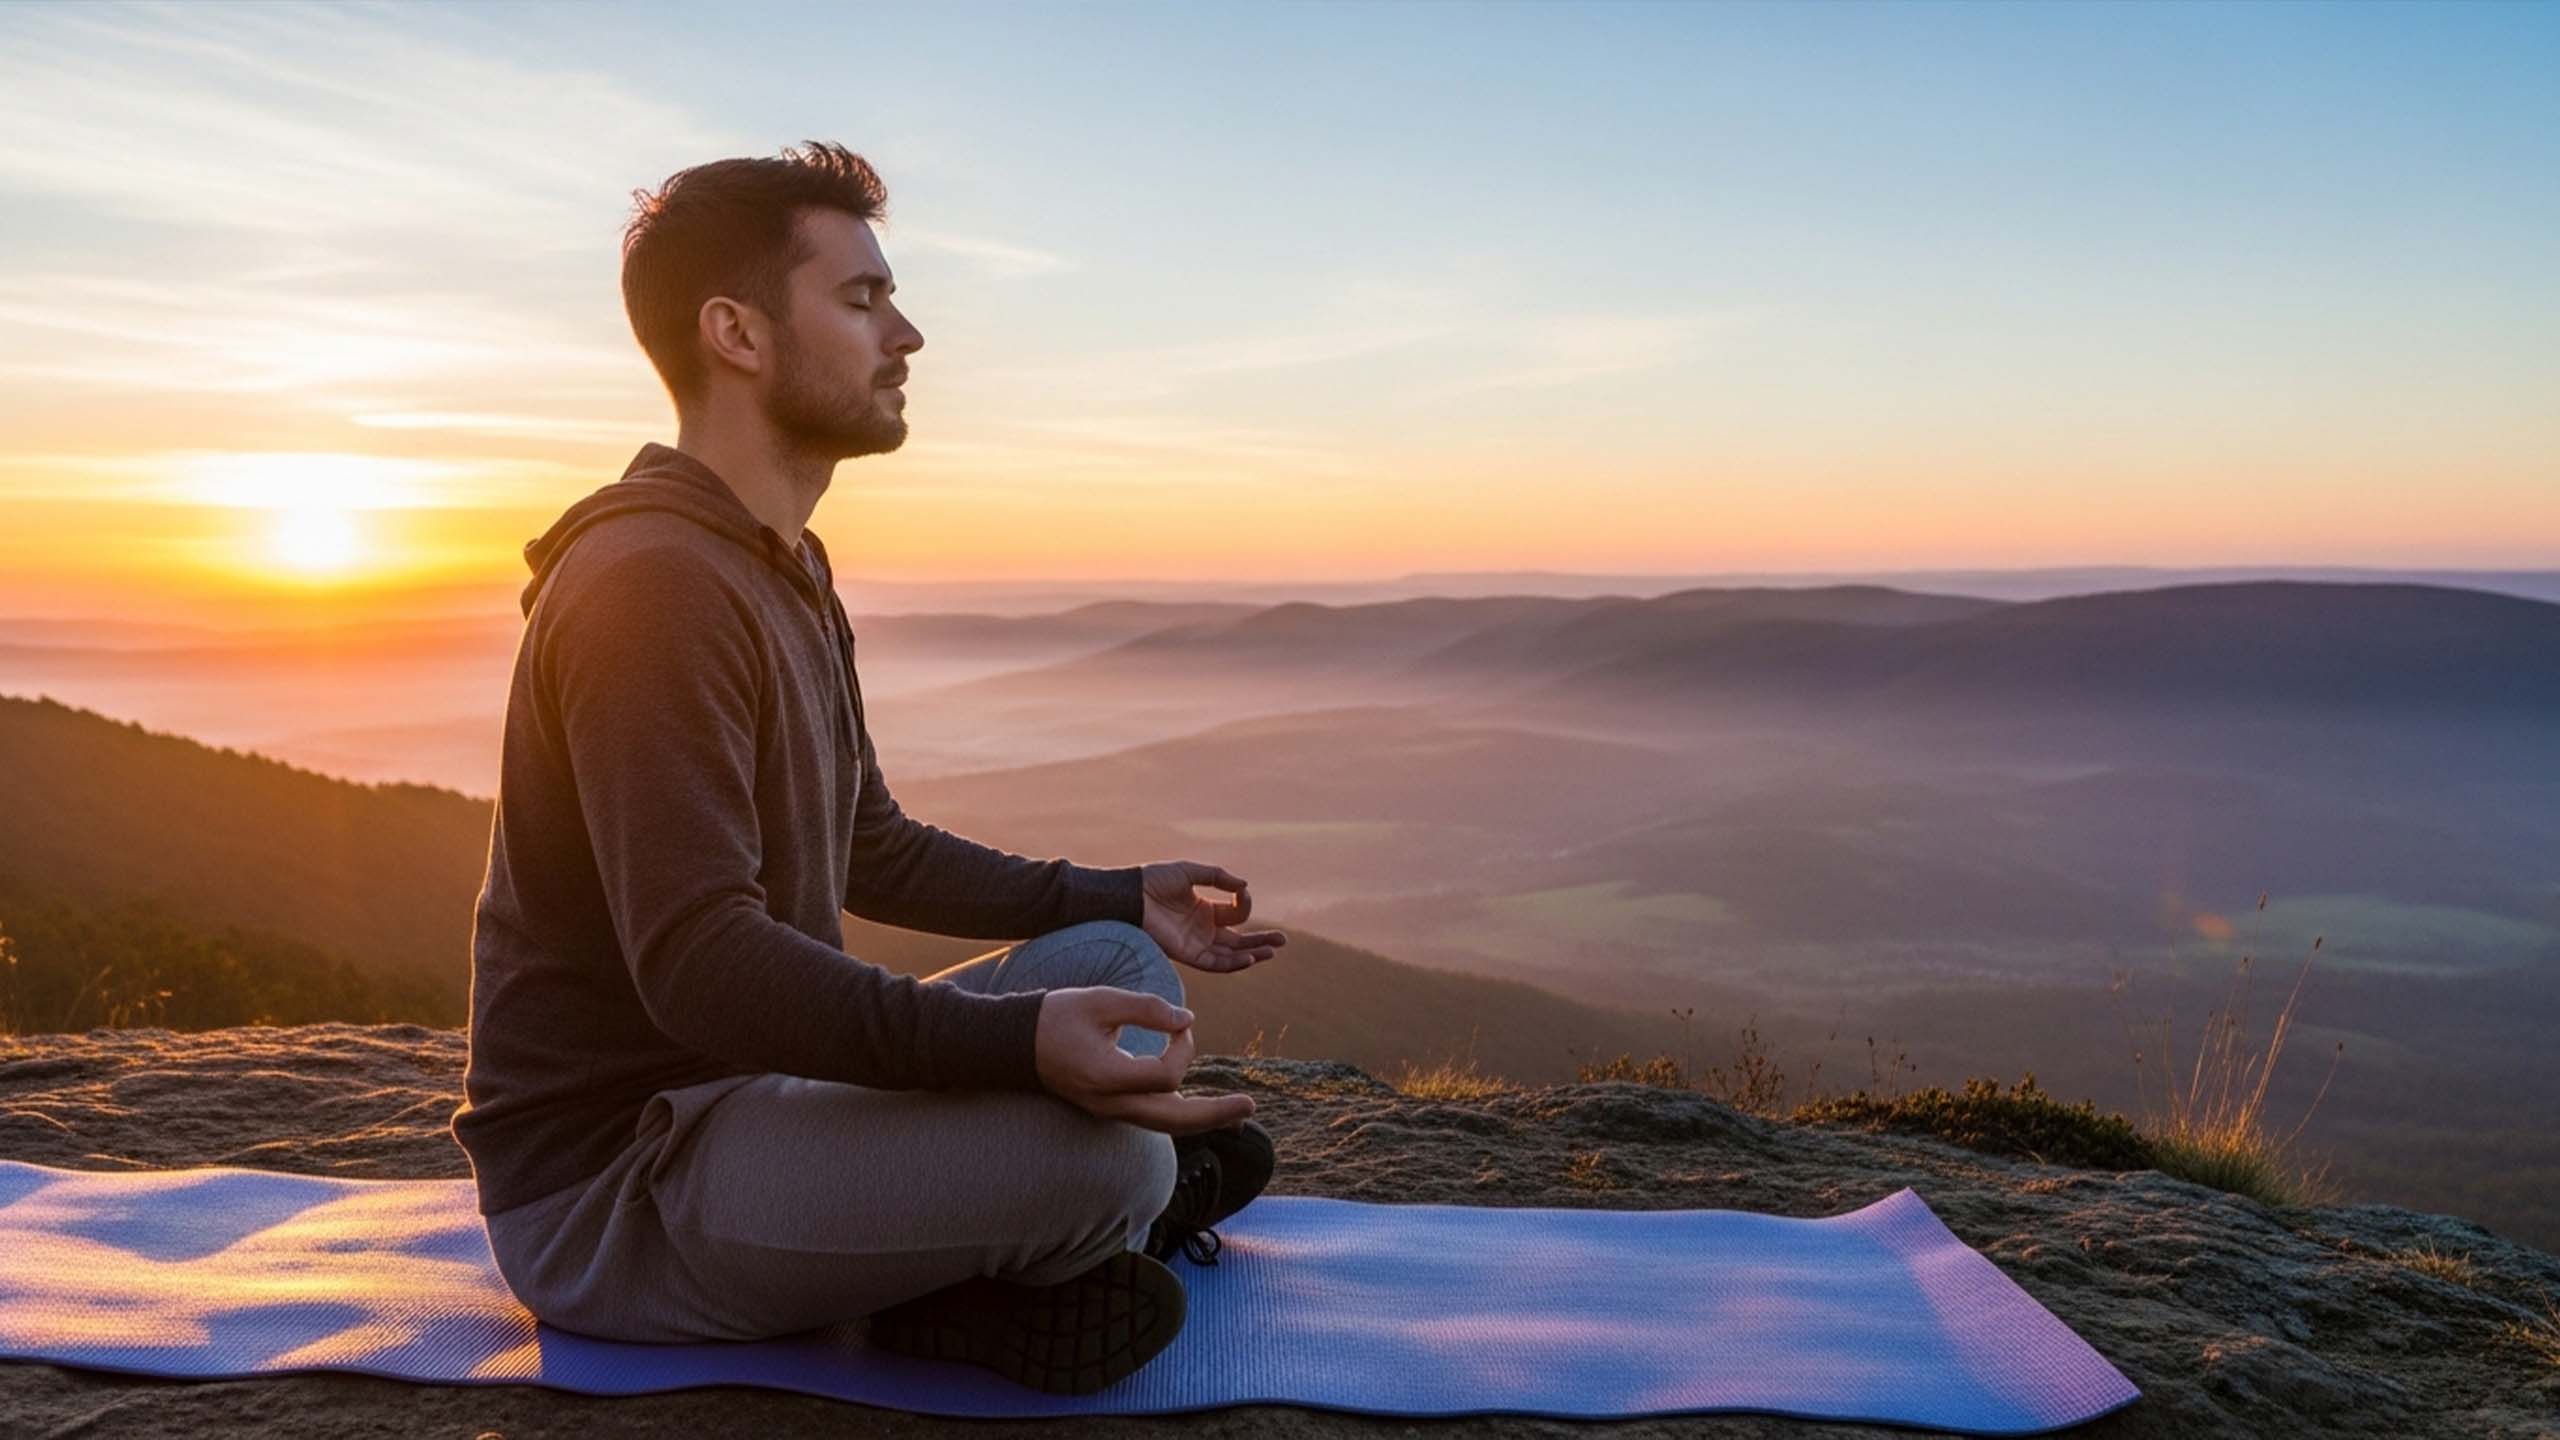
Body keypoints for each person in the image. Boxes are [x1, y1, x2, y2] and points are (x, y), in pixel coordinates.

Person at [447, 140, 1287, 1396]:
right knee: (1106, 1162)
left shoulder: (780, 559)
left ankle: (1005, 1254)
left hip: (754, 1107)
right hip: (624, 1191)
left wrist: (1116, 897)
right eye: (861, 300)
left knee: (1122, 969)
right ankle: (1029, 1247)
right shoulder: (653, 587)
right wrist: (1013, 1054)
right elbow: (698, 964)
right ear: (735, 332)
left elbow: (867, 845)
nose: (908, 335)